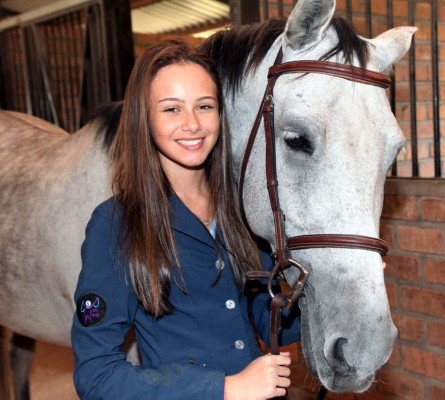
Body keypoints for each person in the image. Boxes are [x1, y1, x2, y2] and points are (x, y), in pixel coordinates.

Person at [71, 38, 300, 400]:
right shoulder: (116, 224)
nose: (192, 124)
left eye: (204, 106)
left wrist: (331, 283)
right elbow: (95, 376)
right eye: (171, 109)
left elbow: (273, 320)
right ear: (143, 119)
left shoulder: (239, 208)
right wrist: (224, 389)